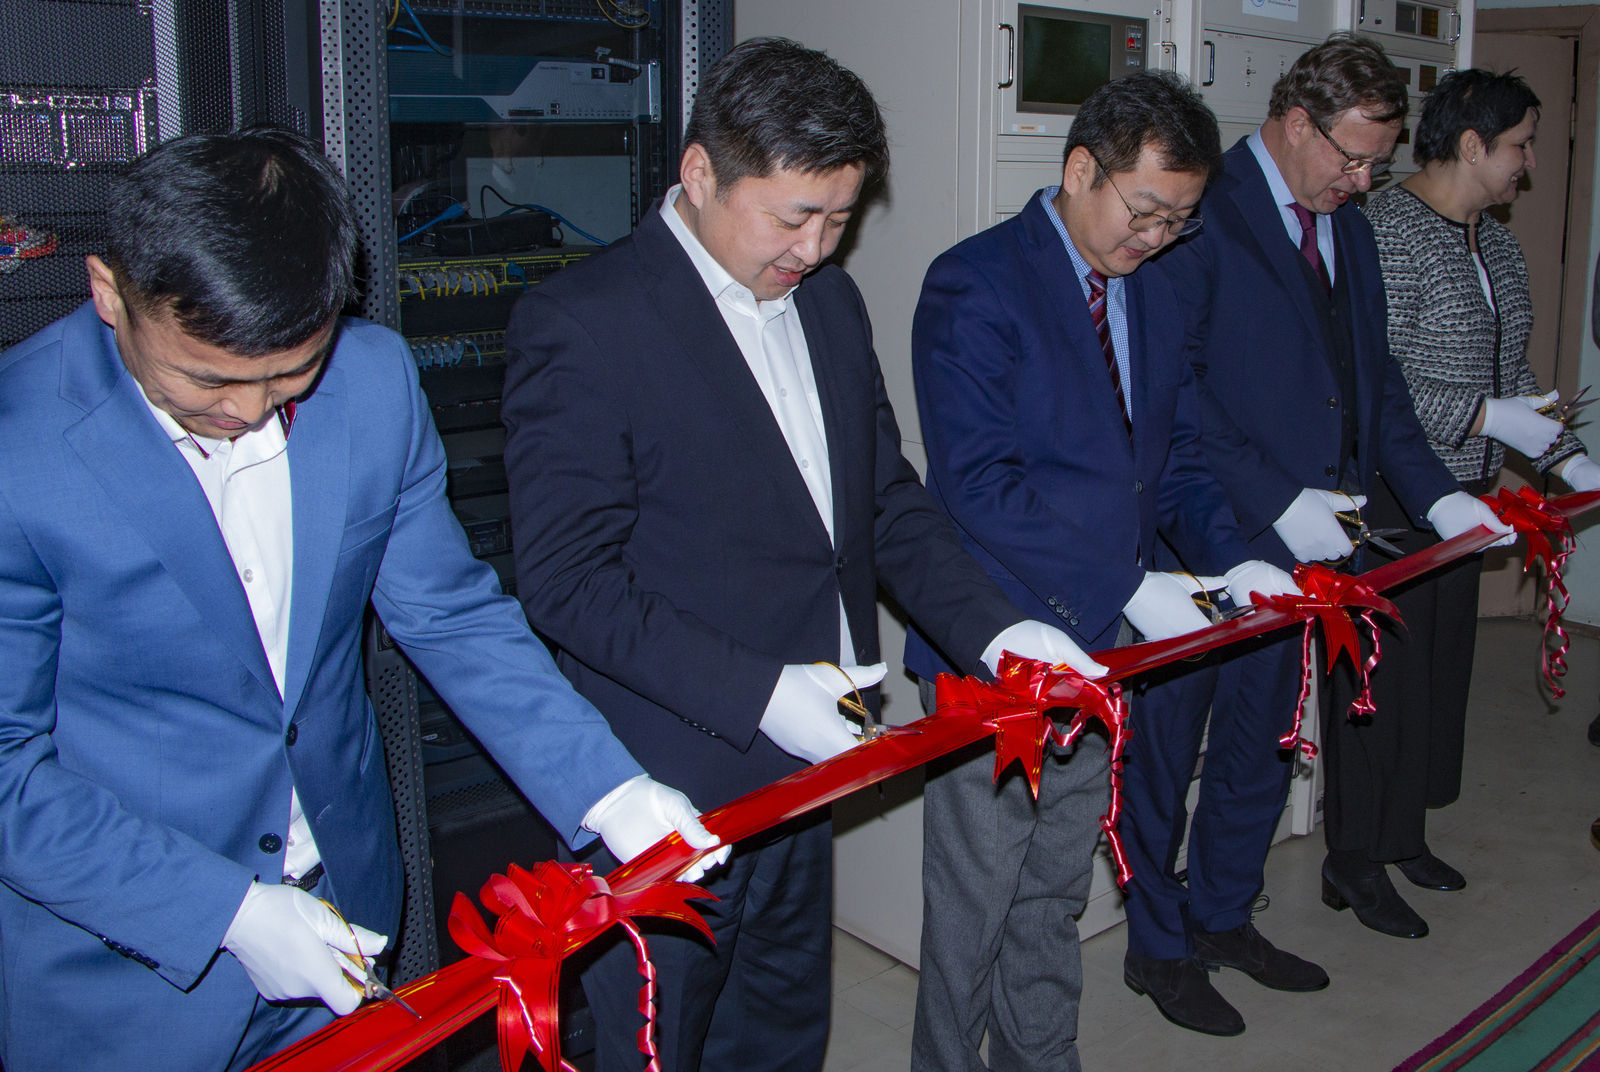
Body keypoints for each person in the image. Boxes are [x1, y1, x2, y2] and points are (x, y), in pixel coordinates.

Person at [0, 127, 726, 1072]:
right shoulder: (20, 446)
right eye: (207, 379)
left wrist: (611, 789)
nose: (248, 415)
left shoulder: (372, 380)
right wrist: (227, 912)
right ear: (109, 293)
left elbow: (449, 613)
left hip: (343, 913)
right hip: (121, 964)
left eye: (286, 375)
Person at [499, 37, 1103, 1072]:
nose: (817, 247)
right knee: (655, 1047)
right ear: (701, 173)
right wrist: (759, 694)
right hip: (665, 791)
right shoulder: (585, 323)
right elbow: (568, 581)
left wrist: (997, 630)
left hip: (807, 772)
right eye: (794, 217)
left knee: (779, 1041)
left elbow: (883, 503)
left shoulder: (827, 301)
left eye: (839, 218)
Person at [903, 71, 1301, 1064]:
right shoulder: (976, 282)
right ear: (1081, 168)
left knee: (1054, 887)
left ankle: (1042, 1056)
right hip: (996, 642)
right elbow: (978, 485)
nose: (1158, 236)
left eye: (1179, 219)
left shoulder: (1155, 291)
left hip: (1106, 646)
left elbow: (1176, 462)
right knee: (975, 903)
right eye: (1146, 209)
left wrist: (1236, 561)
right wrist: (1126, 585)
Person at [1130, 33, 1513, 1033]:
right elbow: (1176, 389)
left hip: (1307, 551)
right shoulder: (1201, 211)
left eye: (1375, 163)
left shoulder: (1347, 225)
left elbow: (1374, 386)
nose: (1362, 180)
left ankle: (1223, 915)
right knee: (1167, 753)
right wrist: (1270, 496)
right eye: (1350, 157)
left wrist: (1436, 498)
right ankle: (1156, 946)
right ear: (1296, 123)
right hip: (1202, 537)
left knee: (1261, 741)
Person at [1363, 67, 1600, 896]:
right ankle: (1360, 858)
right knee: (1387, 692)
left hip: (1470, 502)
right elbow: (1376, 383)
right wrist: (1486, 418)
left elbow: (1515, 375)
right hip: (1397, 496)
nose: (1529, 164)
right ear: (1471, 144)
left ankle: (1407, 836)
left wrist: (1567, 456)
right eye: (1520, 146)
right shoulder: (1386, 229)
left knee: (1436, 682)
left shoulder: (1494, 242)